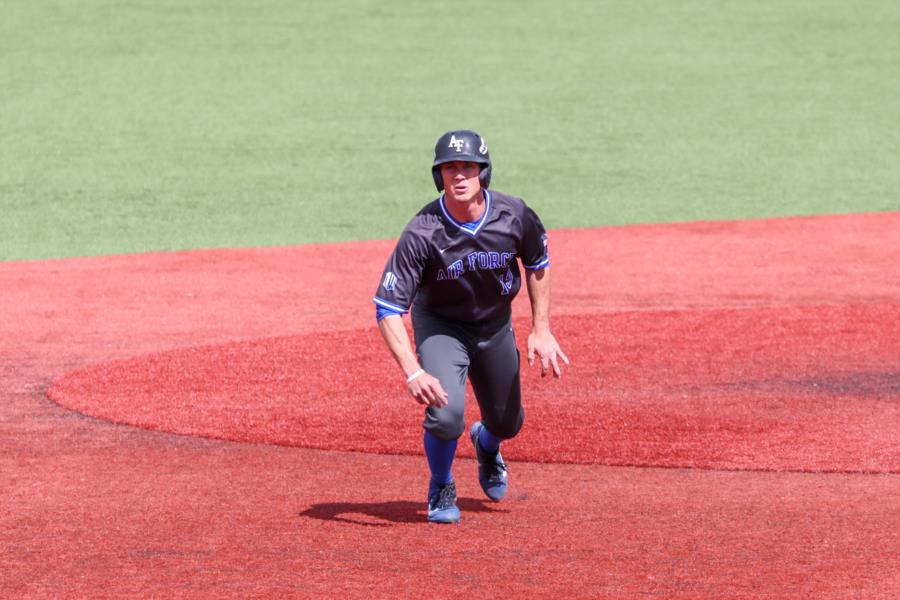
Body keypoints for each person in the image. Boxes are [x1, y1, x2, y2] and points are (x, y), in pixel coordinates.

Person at [373, 130, 568, 524]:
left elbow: (538, 265)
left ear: (483, 173)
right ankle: (441, 483)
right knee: (446, 415)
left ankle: (486, 443)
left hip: (494, 326)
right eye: (449, 168)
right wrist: (413, 371)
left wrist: (541, 328)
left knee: (508, 422)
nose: (458, 176)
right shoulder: (422, 232)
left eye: (467, 168)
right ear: (438, 175)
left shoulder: (514, 215)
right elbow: (387, 308)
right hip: (443, 327)